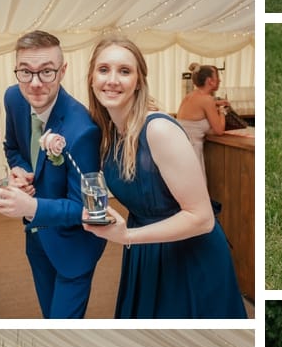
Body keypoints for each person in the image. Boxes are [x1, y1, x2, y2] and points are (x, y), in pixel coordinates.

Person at [82, 36, 247, 318]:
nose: (112, 80)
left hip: (189, 256)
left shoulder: (158, 130)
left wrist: (127, 236)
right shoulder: (109, 131)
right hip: (147, 253)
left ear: (138, 81)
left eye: (124, 71)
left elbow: (202, 218)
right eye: (104, 69)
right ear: (92, 78)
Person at [0, 29, 107, 319]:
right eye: (25, 72)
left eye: (46, 72)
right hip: (36, 237)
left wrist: (31, 206)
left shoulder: (83, 130)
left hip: (74, 247)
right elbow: (13, 147)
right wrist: (20, 170)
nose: (35, 84)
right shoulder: (13, 99)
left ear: (63, 70)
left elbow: (91, 208)